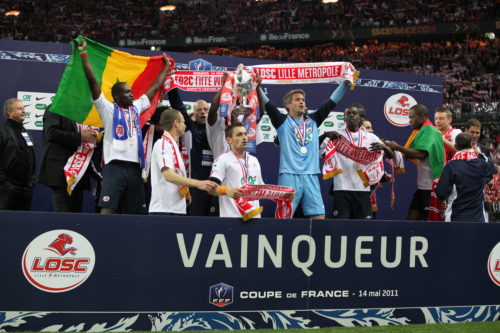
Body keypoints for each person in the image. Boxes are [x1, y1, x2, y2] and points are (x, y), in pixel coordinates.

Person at [77, 39, 171, 214]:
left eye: (131, 91)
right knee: (108, 207)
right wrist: (84, 54)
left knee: (135, 211)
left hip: (135, 167)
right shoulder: (107, 108)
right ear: (117, 96)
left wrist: (165, 66)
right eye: (127, 92)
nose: (131, 94)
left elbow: (155, 86)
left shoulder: (136, 107)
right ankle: (101, 240)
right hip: (114, 167)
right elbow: (92, 81)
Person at [261, 73, 353, 219]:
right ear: (288, 105)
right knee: (284, 219)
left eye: (303, 99)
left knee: (318, 219)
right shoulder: (282, 121)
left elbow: (331, 102)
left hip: (311, 176)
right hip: (289, 175)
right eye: (297, 100)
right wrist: (255, 84)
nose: (302, 102)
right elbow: (268, 104)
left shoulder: (314, 119)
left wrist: (346, 82)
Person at [322, 106, 393, 219]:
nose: (351, 115)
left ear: (360, 118)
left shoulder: (371, 137)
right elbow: (315, 149)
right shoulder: (335, 136)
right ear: (344, 119)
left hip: (362, 189)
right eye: (348, 114)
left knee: (362, 228)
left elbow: (391, 155)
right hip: (341, 188)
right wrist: (324, 135)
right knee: (340, 227)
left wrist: (384, 147)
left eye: (354, 113)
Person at [149, 109, 218, 215]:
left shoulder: (174, 146)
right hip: (164, 210)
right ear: (176, 123)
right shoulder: (163, 144)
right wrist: (198, 183)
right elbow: (168, 175)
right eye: (183, 122)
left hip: (176, 209)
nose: (185, 126)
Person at [384, 104, 444, 221]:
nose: (410, 121)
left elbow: (421, 154)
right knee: (410, 223)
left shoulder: (431, 131)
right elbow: (410, 153)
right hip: (422, 187)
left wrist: (397, 147)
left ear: (422, 116)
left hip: (431, 188)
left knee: (429, 225)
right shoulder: (422, 131)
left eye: (412, 118)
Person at [37, 105, 101, 212]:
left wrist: (94, 137)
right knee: (62, 214)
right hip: (61, 171)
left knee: (75, 216)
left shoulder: (83, 111)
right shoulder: (55, 108)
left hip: (79, 171)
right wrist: (80, 137)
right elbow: (51, 134)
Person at [435, 132, 496, 222]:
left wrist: (437, 186)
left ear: (455, 147)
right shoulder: (481, 164)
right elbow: (492, 167)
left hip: (456, 218)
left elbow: (441, 193)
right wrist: (480, 154)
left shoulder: (451, 166)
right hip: (478, 219)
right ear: (471, 146)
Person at [208, 122, 261, 218]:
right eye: (239, 135)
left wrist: (283, 195)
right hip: (232, 218)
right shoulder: (223, 159)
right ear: (229, 140)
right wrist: (226, 191)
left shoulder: (254, 160)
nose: (244, 137)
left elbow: (261, 190)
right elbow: (211, 189)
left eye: (245, 134)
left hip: (254, 217)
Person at [0, 98, 36, 211]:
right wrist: (3, 180)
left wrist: (31, 181)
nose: (24, 111)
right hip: (9, 186)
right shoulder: (2, 131)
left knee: (21, 224)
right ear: (9, 112)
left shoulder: (26, 132)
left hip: (26, 187)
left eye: (24, 108)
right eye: (19, 108)